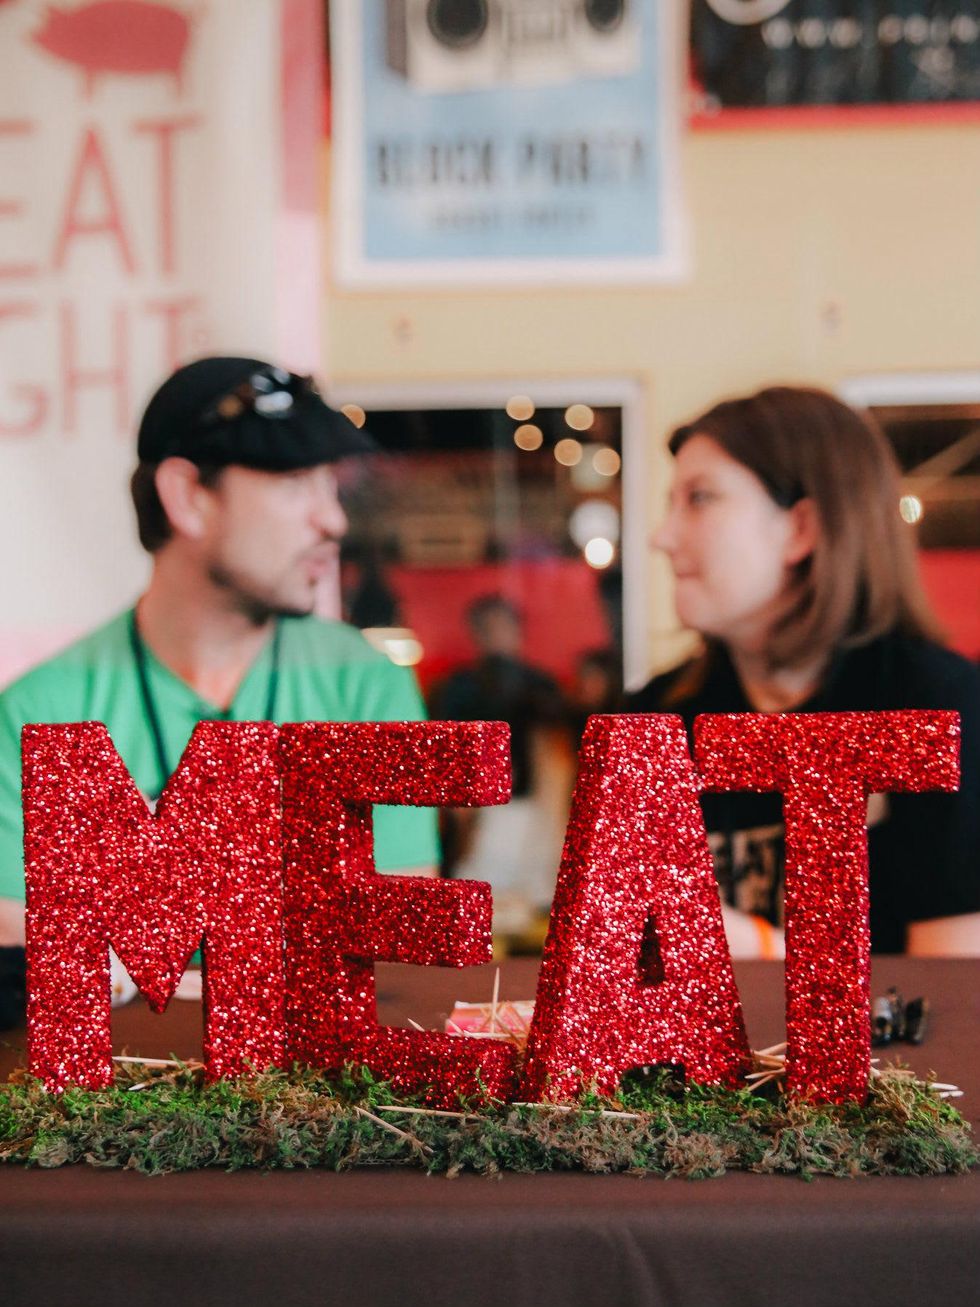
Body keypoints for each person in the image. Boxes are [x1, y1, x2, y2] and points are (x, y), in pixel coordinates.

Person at [0, 357, 439, 1009]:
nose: (334, 520)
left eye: (332, 484)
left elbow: (395, 951)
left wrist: (133, 976)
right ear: (186, 497)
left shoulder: (365, 686)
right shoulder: (42, 710)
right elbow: (32, 967)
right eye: (294, 482)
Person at [626, 385, 980, 958]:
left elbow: (958, 1005)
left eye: (700, 498)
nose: (661, 538)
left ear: (801, 529)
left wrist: (761, 950)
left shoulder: (940, 708)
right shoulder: (650, 723)